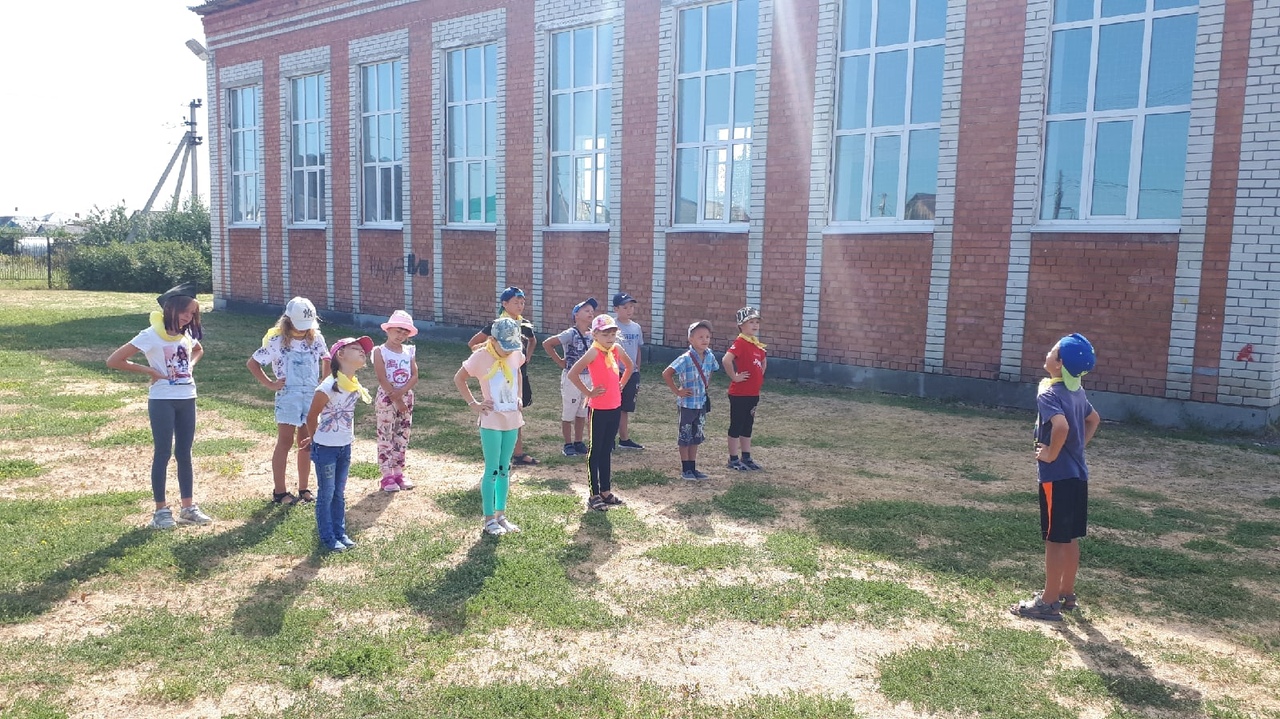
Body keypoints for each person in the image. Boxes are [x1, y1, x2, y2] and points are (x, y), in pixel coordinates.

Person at [106, 283, 213, 529]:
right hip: (162, 399)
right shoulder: (150, 335)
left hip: (188, 397)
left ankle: (188, 508)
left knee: (184, 453)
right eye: (185, 312)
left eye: (193, 313)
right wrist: (150, 371)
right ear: (171, 309)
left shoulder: (186, 334)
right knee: (163, 452)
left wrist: (191, 365)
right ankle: (160, 511)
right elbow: (114, 360)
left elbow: (198, 350)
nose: (188, 317)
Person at [1011, 333, 1100, 621]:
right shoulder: (1078, 392)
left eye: (1052, 351)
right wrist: (1077, 447)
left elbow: (1060, 427)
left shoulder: (1049, 394)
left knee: (1053, 540)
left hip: (1057, 478)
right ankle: (1066, 593)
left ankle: (1048, 602)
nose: (1047, 353)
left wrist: (1051, 453)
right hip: (1078, 475)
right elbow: (1093, 419)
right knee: (1069, 537)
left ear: (1059, 364)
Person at [246, 297, 329, 505]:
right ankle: (280, 491)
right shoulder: (276, 341)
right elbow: (253, 363)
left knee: (306, 442)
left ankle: (304, 487)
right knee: (285, 441)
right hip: (288, 396)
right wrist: (270, 384)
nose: (303, 329)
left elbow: (327, 358)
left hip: (310, 395)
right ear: (288, 320)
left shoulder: (316, 338)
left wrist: (324, 380)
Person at [455, 317, 527, 535]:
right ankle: (489, 519)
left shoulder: (515, 354)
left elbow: (518, 372)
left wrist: (519, 396)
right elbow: (459, 378)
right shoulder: (480, 357)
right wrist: (474, 404)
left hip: (512, 418)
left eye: (512, 347)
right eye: (505, 347)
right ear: (493, 340)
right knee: (492, 469)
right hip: (491, 421)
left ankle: (501, 515)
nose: (508, 352)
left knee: (505, 467)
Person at [301, 336, 373, 553]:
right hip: (326, 448)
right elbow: (311, 416)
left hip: (344, 445)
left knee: (339, 493)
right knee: (327, 493)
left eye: (362, 350)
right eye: (356, 348)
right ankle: (328, 536)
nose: (362, 352)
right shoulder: (328, 387)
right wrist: (314, 439)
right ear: (340, 355)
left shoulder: (352, 385)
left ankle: (340, 533)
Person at [568, 314, 634, 511]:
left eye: (613, 334)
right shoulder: (593, 352)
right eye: (605, 334)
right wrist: (588, 392)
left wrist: (621, 384)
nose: (610, 338)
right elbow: (573, 373)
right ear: (595, 334)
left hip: (615, 406)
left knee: (607, 449)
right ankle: (594, 494)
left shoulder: (616, 350)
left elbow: (630, 366)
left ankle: (606, 491)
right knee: (595, 451)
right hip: (598, 408)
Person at [469, 287, 538, 466]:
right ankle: (501, 455)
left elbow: (532, 340)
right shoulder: (496, 326)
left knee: (516, 412)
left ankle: (517, 453)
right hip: (497, 377)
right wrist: (488, 353)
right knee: (498, 414)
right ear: (504, 304)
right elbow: (473, 343)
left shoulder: (524, 324)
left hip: (517, 374)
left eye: (522, 303)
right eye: (516, 302)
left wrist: (528, 356)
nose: (520, 306)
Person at [662, 320, 719, 481]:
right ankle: (685, 468)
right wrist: (677, 391)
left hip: (700, 403)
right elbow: (667, 373)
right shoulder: (685, 358)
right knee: (685, 436)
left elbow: (713, 369)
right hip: (687, 404)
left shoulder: (710, 356)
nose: (705, 340)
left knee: (696, 436)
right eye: (700, 337)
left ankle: (693, 467)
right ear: (691, 339)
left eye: (707, 337)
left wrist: (706, 384)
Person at [372, 310, 420, 492]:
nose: (400, 335)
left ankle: (398, 471)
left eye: (404, 332)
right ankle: (386, 474)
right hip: (387, 396)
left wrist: (402, 394)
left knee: (402, 433)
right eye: (398, 331)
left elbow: (414, 375)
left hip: (405, 395)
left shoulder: (409, 351)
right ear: (388, 330)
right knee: (386, 433)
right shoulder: (380, 351)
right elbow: (382, 377)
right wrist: (395, 397)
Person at [543, 297, 596, 456]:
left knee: (582, 411)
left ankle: (578, 441)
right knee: (569, 411)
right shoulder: (570, 333)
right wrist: (560, 361)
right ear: (576, 315)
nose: (590, 313)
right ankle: (567, 443)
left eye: (592, 311)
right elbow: (548, 343)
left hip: (588, 376)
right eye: (586, 311)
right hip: (572, 378)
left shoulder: (593, 334)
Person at [723, 306, 767, 471]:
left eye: (757, 322)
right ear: (741, 325)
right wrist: (734, 377)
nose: (755, 325)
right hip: (740, 394)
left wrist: (759, 374)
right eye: (751, 322)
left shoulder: (756, 345)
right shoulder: (740, 343)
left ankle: (746, 456)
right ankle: (733, 458)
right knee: (737, 425)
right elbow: (726, 360)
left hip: (753, 393)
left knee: (748, 426)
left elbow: (763, 360)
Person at [612, 292, 645, 450]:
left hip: (631, 373)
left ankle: (624, 439)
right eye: (625, 307)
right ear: (616, 309)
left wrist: (636, 368)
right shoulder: (612, 326)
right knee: (612, 407)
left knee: (625, 407)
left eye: (631, 307)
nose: (629, 310)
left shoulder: (636, 327)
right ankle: (609, 438)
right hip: (615, 372)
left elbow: (638, 349)